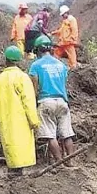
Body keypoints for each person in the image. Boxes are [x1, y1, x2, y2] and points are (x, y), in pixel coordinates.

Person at [29, 35, 76, 164]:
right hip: (62, 101)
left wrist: (32, 104)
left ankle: (59, 162)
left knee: (50, 134)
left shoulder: (35, 65)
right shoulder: (61, 65)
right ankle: (70, 162)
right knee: (66, 133)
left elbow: (34, 88)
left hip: (46, 101)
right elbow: (63, 83)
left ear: (38, 50)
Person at [0, 45, 40, 175]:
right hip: (20, 120)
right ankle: (17, 176)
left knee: (10, 147)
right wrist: (34, 121)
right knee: (20, 148)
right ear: (19, 60)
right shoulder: (22, 77)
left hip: (5, 119)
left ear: (6, 59)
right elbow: (28, 101)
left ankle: (13, 172)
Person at [51, 5, 80, 69]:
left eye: (63, 14)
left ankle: (73, 69)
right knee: (56, 53)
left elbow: (74, 30)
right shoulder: (65, 21)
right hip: (63, 42)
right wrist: (53, 33)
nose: (62, 16)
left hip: (68, 42)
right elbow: (61, 30)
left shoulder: (72, 20)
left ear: (66, 12)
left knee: (72, 57)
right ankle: (54, 66)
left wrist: (72, 39)